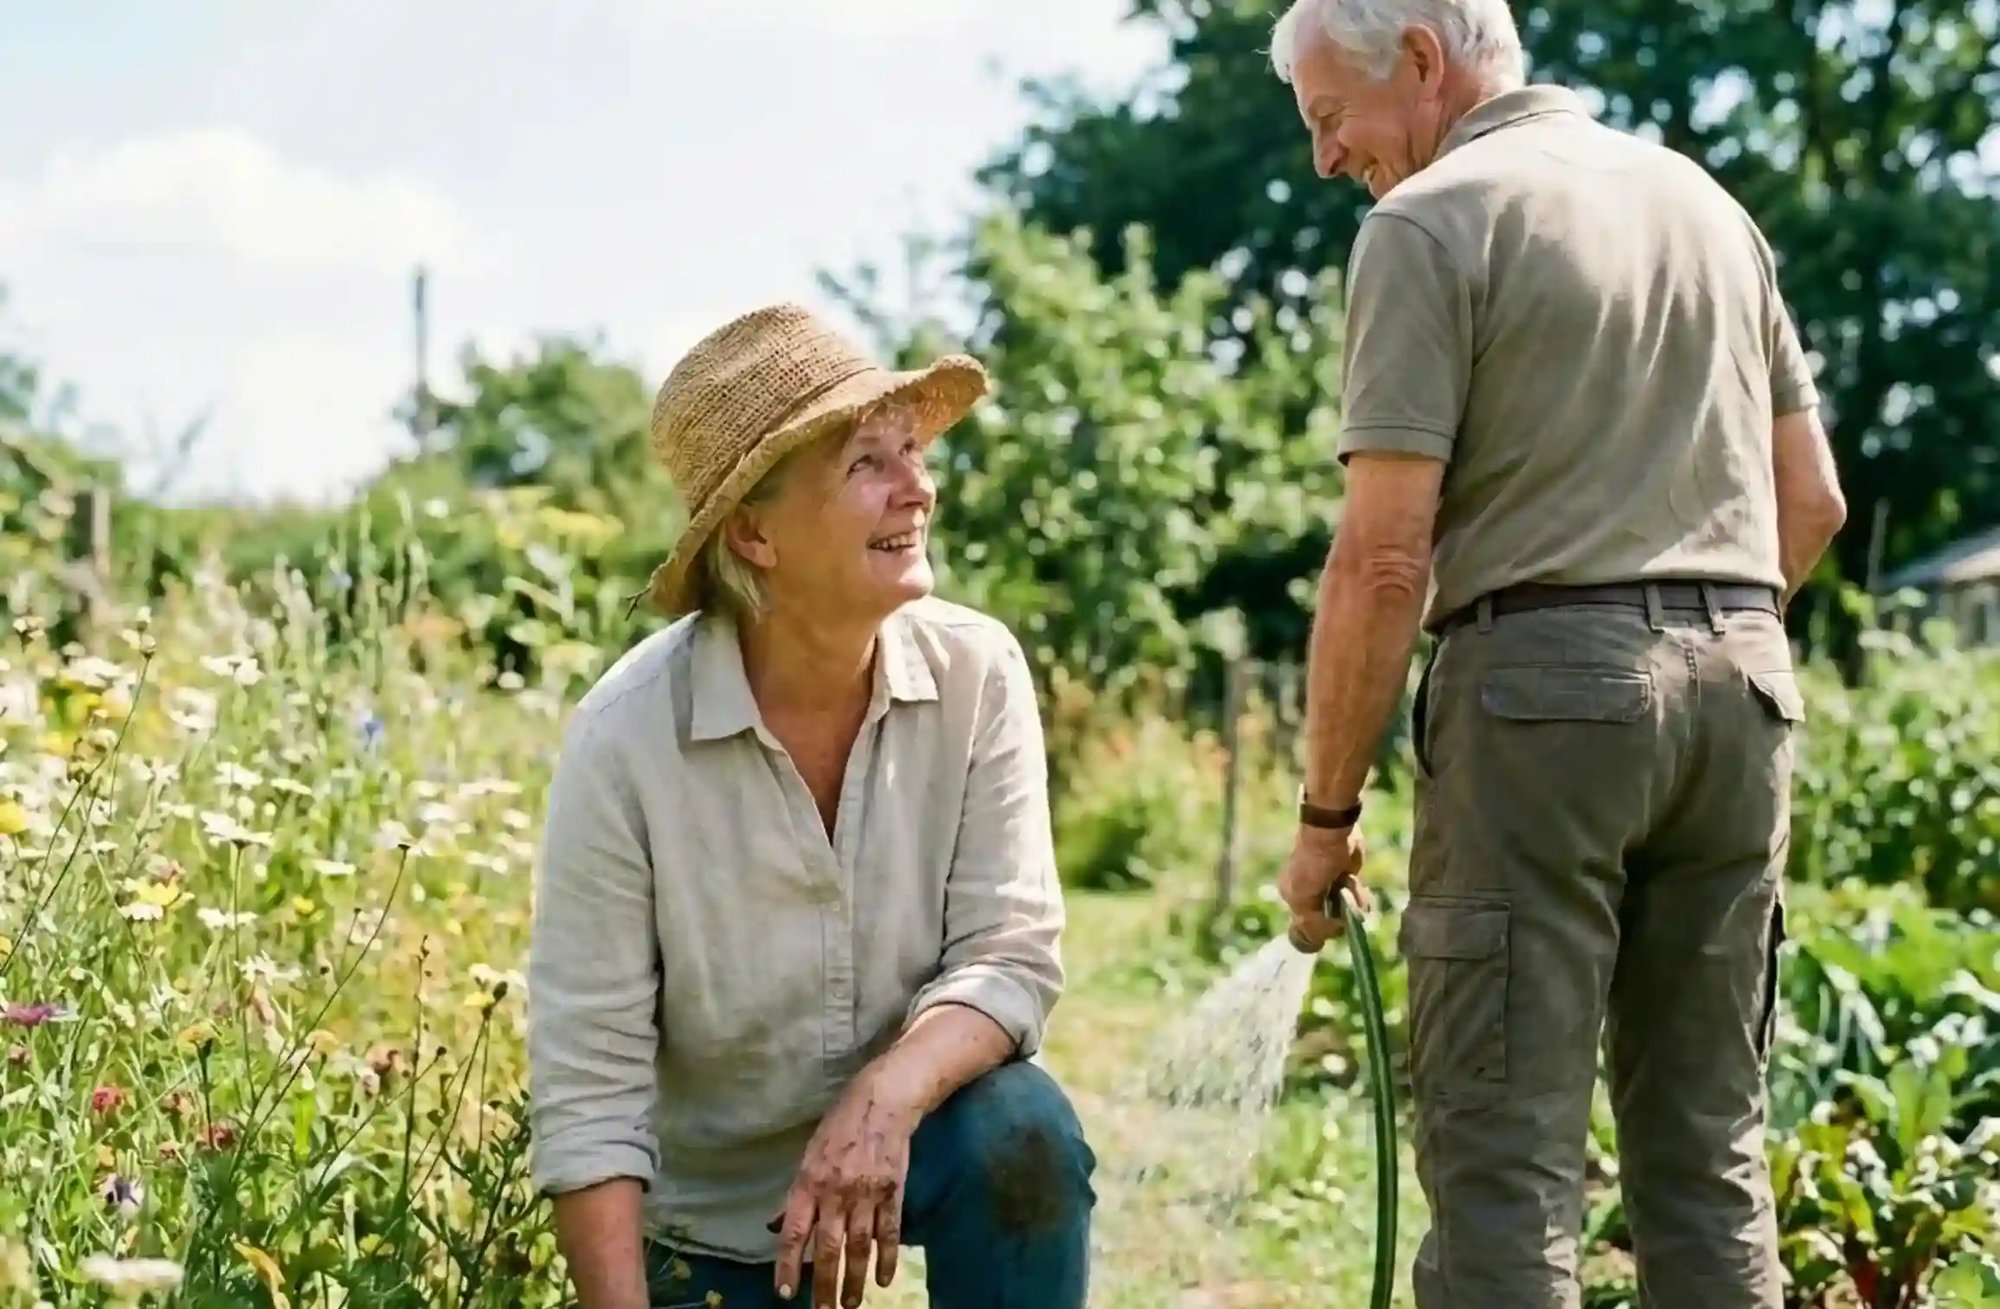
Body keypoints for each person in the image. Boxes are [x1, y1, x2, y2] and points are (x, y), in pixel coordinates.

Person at [1262, 2, 1848, 1306]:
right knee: (1709, 1155)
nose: (1325, 158)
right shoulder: (1706, 207)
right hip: (1744, 680)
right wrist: (1702, 646)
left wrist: (1324, 818)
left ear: (1419, 57)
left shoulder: (1430, 223)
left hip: (1540, 699)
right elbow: (1811, 503)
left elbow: (1384, 560)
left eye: (1326, 118)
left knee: (1503, 1164)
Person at [526, 302, 1097, 1309]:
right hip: (710, 1225)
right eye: (864, 464)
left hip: (918, 1144)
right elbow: (590, 1091)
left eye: (911, 450)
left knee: (1024, 1129)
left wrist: (884, 1095)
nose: (916, 487)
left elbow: (1006, 955)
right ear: (753, 533)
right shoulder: (623, 739)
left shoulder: (977, 673)